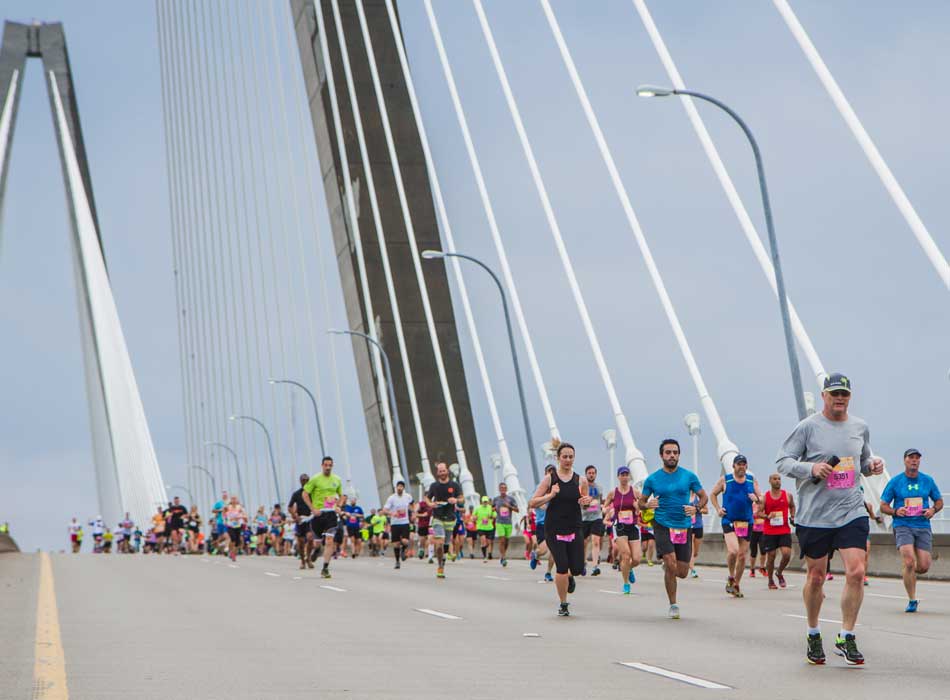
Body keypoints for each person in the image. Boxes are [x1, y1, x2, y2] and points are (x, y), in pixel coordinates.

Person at [777, 372, 885, 666]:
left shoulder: (860, 427)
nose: (840, 399)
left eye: (844, 394)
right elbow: (783, 461)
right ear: (824, 396)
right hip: (815, 515)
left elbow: (861, 463)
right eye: (834, 393)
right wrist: (811, 470)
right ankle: (813, 632)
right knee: (815, 577)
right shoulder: (808, 428)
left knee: (856, 572)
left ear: (850, 397)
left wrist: (872, 465)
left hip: (850, 510)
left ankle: (846, 636)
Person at [639, 439, 707, 620]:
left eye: (675, 452)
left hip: (684, 526)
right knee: (670, 562)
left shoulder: (689, 476)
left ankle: (669, 568)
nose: (672, 455)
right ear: (661, 455)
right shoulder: (652, 479)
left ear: (679, 455)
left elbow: (704, 496)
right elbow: (641, 502)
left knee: (682, 572)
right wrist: (648, 504)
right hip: (662, 524)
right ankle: (673, 604)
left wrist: (696, 508)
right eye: (668, 452)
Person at [529, 442, 591, 617]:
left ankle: (571, 576)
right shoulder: (550, 479)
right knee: (562, 566)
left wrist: (585, 503)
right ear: (558, 458)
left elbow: (585, 503)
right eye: (564, 456)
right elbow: (533, 502)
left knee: (577, 568)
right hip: (554, 528)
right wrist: (550, 495)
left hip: (574, 526)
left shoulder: (581, 480)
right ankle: (563, 603)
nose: (568, 460)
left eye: (571, 456)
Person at [879, 448, 943, 613]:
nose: (914, 460)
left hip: (922, 525)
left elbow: (939, 501)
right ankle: (912, 599)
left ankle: (909, 571)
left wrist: (932, 511)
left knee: (923, 566)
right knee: (909, 561)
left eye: (917, 458)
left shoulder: (927, 480)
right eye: (911, 458)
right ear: (905, 460)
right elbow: (883, 506)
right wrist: (895, 511)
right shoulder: (895, 481)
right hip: (903, 525)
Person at [710, 455, 761, 598]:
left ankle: (736, 585)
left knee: (743, 556)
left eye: (744, 464)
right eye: (739, 464)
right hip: (729, 520)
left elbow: (761, 498)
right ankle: (731, 576)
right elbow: (713, 494)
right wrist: (718, 509)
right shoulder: (726, 480)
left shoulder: (751, 480)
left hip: (746, 522)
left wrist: (756, 499)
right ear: (733, 466)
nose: (741, 467)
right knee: (733, 551)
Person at [302, 457, 345, 579]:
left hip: (331, 514)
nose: (328, 467)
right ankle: (316, 551)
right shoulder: (315, 479)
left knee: (330, 541)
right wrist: (312, 509)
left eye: (330, 465)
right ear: (322, 465)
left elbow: (342, 495)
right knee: (317, 543)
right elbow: (304, 494)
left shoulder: (337, 479)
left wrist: (339, 506)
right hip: (318, 514)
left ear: (332, 466)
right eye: (326, 465)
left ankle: (325, 568)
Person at [604, 465, 641, 595]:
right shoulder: (613, 493)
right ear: (618, 477)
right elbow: (605, 506)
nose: (625, 477)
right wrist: (607, 510)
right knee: (626, 555)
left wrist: (638, 507)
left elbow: (641, 504)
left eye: (626, 475)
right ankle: (626, 583)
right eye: (622, 475)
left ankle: (629, 569)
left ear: (629, 477)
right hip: (619, 526)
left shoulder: (635, 491)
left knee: (636, 558)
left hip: (633, 526)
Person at [426, 463, 464, 578]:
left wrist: (456, 500)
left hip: (450, 518)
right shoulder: (434, 486)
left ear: (447, 471)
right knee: (439, 543)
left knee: (446, 544)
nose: (442, 473)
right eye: (440, 471)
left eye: (444, 471)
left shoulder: (455, 485)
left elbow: (462, 499)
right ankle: (440, 566)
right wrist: (431, 504)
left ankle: (443, 561)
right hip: (437, 517)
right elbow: (427, 497)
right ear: (437, 473)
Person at [761, 473, 796, 590]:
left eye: (779, 479)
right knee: (771, 557)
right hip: (770, 531)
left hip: (784, 529)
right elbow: (758, 513)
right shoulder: (765, 497)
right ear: (770, 481)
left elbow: (792, 506)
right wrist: (767, 516)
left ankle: (779, 572)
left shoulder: (787, 495)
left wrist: (792, 516)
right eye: (775, 479)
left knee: (786, 554)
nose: (777, 481)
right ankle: (770, 580)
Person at [382, 481, 414, 569]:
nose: (399, 488)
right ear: (396, 488)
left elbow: (412, 504)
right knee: (396, 544)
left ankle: (403, 551)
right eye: (398, 486)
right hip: (395, 523)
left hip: (405, 522)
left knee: (405, 541)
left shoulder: (408, 496)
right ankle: (397, 561)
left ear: (403, 488)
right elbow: (384, 510)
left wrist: (413, 513)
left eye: (401, 486)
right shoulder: (392, 498)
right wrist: (392, 513)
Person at [581, 465, 606, 576]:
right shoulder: (582, 487)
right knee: (584, 542)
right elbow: (580, 502)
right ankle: (583, 562)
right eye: (589, 473)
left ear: (595, 474)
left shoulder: (599, 487)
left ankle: (595, 566)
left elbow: (601, 501)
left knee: (596, 541)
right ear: (586, 474)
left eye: (593, 473)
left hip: (597, 517)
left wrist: (601, 506)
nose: (591, 475)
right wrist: (588, 504)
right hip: (584, 518)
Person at [288, 474, 314, 569]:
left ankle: (309, 558)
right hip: (300, 520)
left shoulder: (312, 493)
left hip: (310, 518)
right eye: (303, 480)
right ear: (300, 481)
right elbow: (290, 507)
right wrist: (295, 516)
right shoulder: (296, 494)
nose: (305, 482)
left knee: (310, 538)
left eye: (307, 480)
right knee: (301, 542)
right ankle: (303, 561)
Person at [491, 482, 519, 567]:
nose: (503, 490)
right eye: (501, 488)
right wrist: (494, 509)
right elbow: (492, 508)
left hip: (508, 523)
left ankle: (503, 554)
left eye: (504, 488)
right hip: (500, 522)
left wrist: (509, 506)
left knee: (506, 541)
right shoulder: (496, 499)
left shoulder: (511, 499)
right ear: (499, 489)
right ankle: (503, 557)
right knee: (502, 540)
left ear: (506, 489)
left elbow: (517, 510)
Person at [688, 492, 707, 578]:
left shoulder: (699, 498)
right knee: (691, 550)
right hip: (688, 526)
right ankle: (692, 569)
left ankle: (691, 564)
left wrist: (696, 509)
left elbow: (706, 510)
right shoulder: (684, 497)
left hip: (698, 525)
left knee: (695, 552)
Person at [223, 495, 248, 561]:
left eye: (235, 499)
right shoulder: (228, 507)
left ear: (237, 500)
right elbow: (224, 512)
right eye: (232, 499)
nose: (234, 500)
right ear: (231, 500)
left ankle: (232, 553)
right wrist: (225, 519)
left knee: (237, 542)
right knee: (233, 539)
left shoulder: (239, 507)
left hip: (238, 526)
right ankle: (232, 553)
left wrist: (242, 518)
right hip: (230, 525)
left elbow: (245, 515)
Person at [473, 496, 495, 562]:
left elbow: (494, 515)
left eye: (486, 501)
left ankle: (487, 551)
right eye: (484, 501)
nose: (485, 503)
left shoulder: (490, 508)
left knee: (488, 543)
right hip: (480, 527)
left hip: (489, 527)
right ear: (481, 502)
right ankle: (484, 556)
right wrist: (474, 518)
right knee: (483, 540)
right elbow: (473, 516)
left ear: (488, 502)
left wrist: (490, 516)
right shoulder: (478, 508)